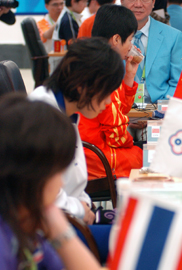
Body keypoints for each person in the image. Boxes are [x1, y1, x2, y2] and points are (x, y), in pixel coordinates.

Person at [0, 93, 104, 270]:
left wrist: (58, 226)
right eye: (57, 171)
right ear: (32, 174)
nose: (62, 182)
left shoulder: (28, 229)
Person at [28, 38, 124, 225]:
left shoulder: (67, 112)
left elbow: (73, 185)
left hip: (74, 217)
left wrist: (83, 206)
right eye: (106, 92)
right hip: (55, 229)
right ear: (82, 86)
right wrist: (81, 209)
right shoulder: (43, 116)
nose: (109, 101)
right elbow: (41, 196)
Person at [78, 4, 143, 180]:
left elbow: (118, 110)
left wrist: (129, 77)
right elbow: (116, 136)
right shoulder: (104, 70)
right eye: (130, 40)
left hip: (80, 150)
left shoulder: (92, 59)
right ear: (116, 39)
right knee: (145, 157)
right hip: (93, 155)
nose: (131, 46)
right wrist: (134, 143)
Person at [121, 0, 182, 104]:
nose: (138, 4)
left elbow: (178, 82)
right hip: (117, 109)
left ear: (153, 2)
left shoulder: (173, 36)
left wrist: (162, 108)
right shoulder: (109, 35)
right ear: (122, 1)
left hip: (158, 110)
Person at [37, 0, 65, 72]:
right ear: (46, 6)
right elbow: (47, 35)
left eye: (62, 4)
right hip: (51, 66)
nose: (59, 7)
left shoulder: (68, 21)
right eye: (55, 5)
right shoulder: (41, 23)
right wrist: (61, 19)